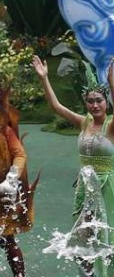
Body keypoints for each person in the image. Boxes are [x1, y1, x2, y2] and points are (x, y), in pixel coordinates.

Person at [32, 56, 114, 277]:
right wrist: (44, 78)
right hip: (86, 189)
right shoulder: (84, 122)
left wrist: (113, 85)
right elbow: (56, 107)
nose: (95, 105)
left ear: (106, 103)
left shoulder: (112, 126)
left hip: (108, 189)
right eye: (90, 101)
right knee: (84, 239)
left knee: (109, 239)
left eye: (99, 100)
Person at [0, 87, 34, 277]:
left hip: (2, 190)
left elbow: (19, 154)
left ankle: (19, 275)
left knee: (8, 238)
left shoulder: (4, 129)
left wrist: (11, 179)